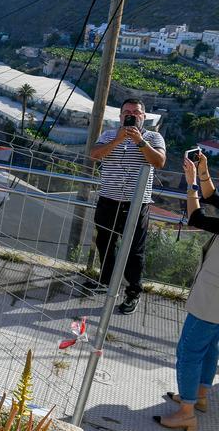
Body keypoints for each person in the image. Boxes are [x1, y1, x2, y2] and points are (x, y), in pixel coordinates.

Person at [154, 151, 219, 430]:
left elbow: (196, 217)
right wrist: (203, 172)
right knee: (209, 347)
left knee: (189, 350)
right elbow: (214, 199)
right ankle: (200, 395)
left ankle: (187, 412)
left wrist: (191, 183)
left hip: (213, 296)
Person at [89, 98, 165, 315]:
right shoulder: (109, 135)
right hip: (107, 200)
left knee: (134, 251)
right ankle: (105, 282)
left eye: (136, 112)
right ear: (120, 115)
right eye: (127, 112)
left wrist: (139, 141)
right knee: (105, 243)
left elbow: (159, 162)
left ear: (144, 116)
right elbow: (94, 154)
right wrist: (118, 140)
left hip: (136, 204)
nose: (131, 115)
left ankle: (133, 293)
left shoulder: (153, 137)